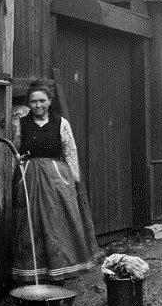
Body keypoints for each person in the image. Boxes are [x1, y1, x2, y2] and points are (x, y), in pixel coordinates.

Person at [11, 81, 100, 283]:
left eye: (42, 100)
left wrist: (73, 181)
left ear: (50, 101)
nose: (38, 105)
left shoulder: (61, 123)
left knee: (58, 222)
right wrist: (18, 174)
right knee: (31, 223)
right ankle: (34, 273)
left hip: (56, 179)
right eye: (33, 101)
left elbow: (70, 152)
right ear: (28, 104)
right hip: (31, 177)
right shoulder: (21, 124)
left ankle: (60, 270)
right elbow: (15, 150)